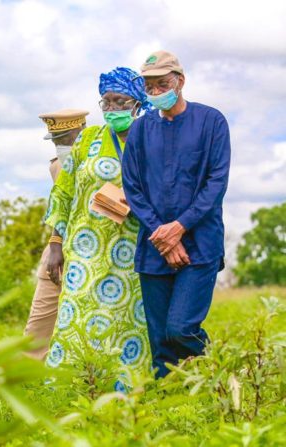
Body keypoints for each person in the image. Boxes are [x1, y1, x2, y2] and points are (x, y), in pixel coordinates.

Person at [122, 51, 231, 378]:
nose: (156, 92)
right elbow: (133, 188)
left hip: (201, 245)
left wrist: (180, 227)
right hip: (155, 247)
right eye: (150, 86)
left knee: (181, 329)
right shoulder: (140, 131)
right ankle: (170, 405)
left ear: (180, 81)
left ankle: (217, 372)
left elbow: (216, 182)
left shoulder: (211, 122)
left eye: (162, 84)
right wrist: (165, 236)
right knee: (161, 342)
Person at [45, 67, 152, 389]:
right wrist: (54, 243)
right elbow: (62, 191)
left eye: (119, 101)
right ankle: (69, 388)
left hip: (130, 249)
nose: (111, 109)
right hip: (84, 249)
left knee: (126, 323)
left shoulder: (151, 139)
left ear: (137, 104)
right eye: (105, 102)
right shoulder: (88, 140)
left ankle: (124, 393)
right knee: (74, 316)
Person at [24, 109, 88, 360]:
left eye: (64, 138)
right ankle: (25, 377)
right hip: (59, 246)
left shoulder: (103, 160)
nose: (59, 144)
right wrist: (55, 244)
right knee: (40, 316)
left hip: (92, 248)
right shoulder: (58, 166)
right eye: (55, 139)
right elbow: (60, 209)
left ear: (80, 132)